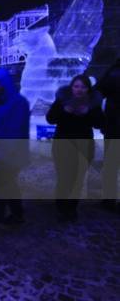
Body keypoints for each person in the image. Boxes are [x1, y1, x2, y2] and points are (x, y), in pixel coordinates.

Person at [46, 74, 104, 222]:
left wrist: (88, 113)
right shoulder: (62, 100)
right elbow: (51, 118)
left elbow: (100, 123)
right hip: (63, 144)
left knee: (78, 178)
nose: (79, 90)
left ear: (88, 89)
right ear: (71, 87)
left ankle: (71, 209)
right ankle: (61, 206)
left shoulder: (92, 103)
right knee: (64, 177)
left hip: (84, 145)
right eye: (76, 86)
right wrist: (64, 111)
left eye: (83, 87)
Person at [0, 67, 30, 229]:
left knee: (3, 183)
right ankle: (17, 214)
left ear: (5, 83)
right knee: (7, 183)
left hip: (11, 153)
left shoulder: (19, 103)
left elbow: (17, 130)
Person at [95, 58, 120, 211]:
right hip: (114, 125)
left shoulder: (114, 71)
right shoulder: (114, 71)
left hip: (114, 125)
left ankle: (109, 200)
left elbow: (99, 92)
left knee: (111, 164)